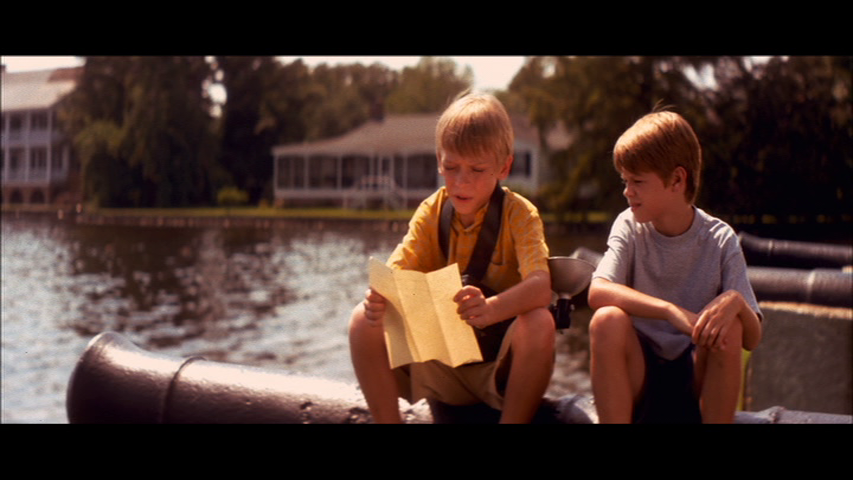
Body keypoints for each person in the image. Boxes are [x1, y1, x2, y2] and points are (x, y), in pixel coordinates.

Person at [348, 92, 555, 423]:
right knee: (362, 319)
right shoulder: (432, 211)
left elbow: (541, 287)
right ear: (438, 161)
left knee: (540, 322)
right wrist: (380, 296)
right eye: (451, 167)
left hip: (498, 372)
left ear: (504, 167)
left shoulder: (520, 214)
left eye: (477, 169)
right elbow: (395, 272)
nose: (461, 181)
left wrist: (492, 308)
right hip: (438, 368)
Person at [587, 110, 762, 424]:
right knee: (606, 320)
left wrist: (736, 301)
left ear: (677, 180)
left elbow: (752, 338)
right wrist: (670, 311)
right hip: (638, 374)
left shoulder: (720, 239)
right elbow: (598, 291)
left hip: (695, 378)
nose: (627, 191)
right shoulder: (629, 225)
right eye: (625, 181)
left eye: (637, 181)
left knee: (731, 325)